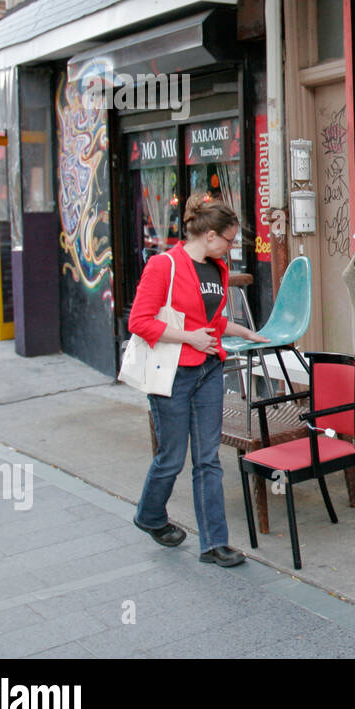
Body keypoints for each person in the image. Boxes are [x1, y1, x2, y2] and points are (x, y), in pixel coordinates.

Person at [128, 193, 268, 567]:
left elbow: (212, 320)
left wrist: (244, 331)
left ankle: (214, 544)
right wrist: (190, 338)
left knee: (208, 459)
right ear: (208, 235)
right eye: (228, 240)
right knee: (172, 457)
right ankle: (150, 514)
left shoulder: (217, 269)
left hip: (208, 370)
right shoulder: (164, 266)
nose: (231, 247)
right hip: (172, 373)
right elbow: (139, 322)